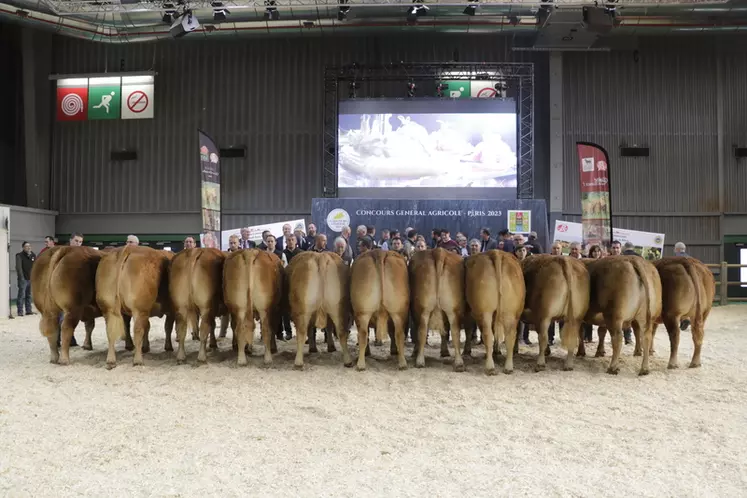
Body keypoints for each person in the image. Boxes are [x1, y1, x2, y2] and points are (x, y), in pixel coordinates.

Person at [15, 242, 36, 317]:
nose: (28, 247)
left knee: (29, 295)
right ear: (23, 247)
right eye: (26, 246)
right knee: (21, 295)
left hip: (30, 278)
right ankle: (20, 311)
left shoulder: (33, 255)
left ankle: (28, 310)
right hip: (23, 279)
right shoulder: (19, 255)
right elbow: (18, 268)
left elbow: (35, 266)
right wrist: (22, 278)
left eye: (29, 246)